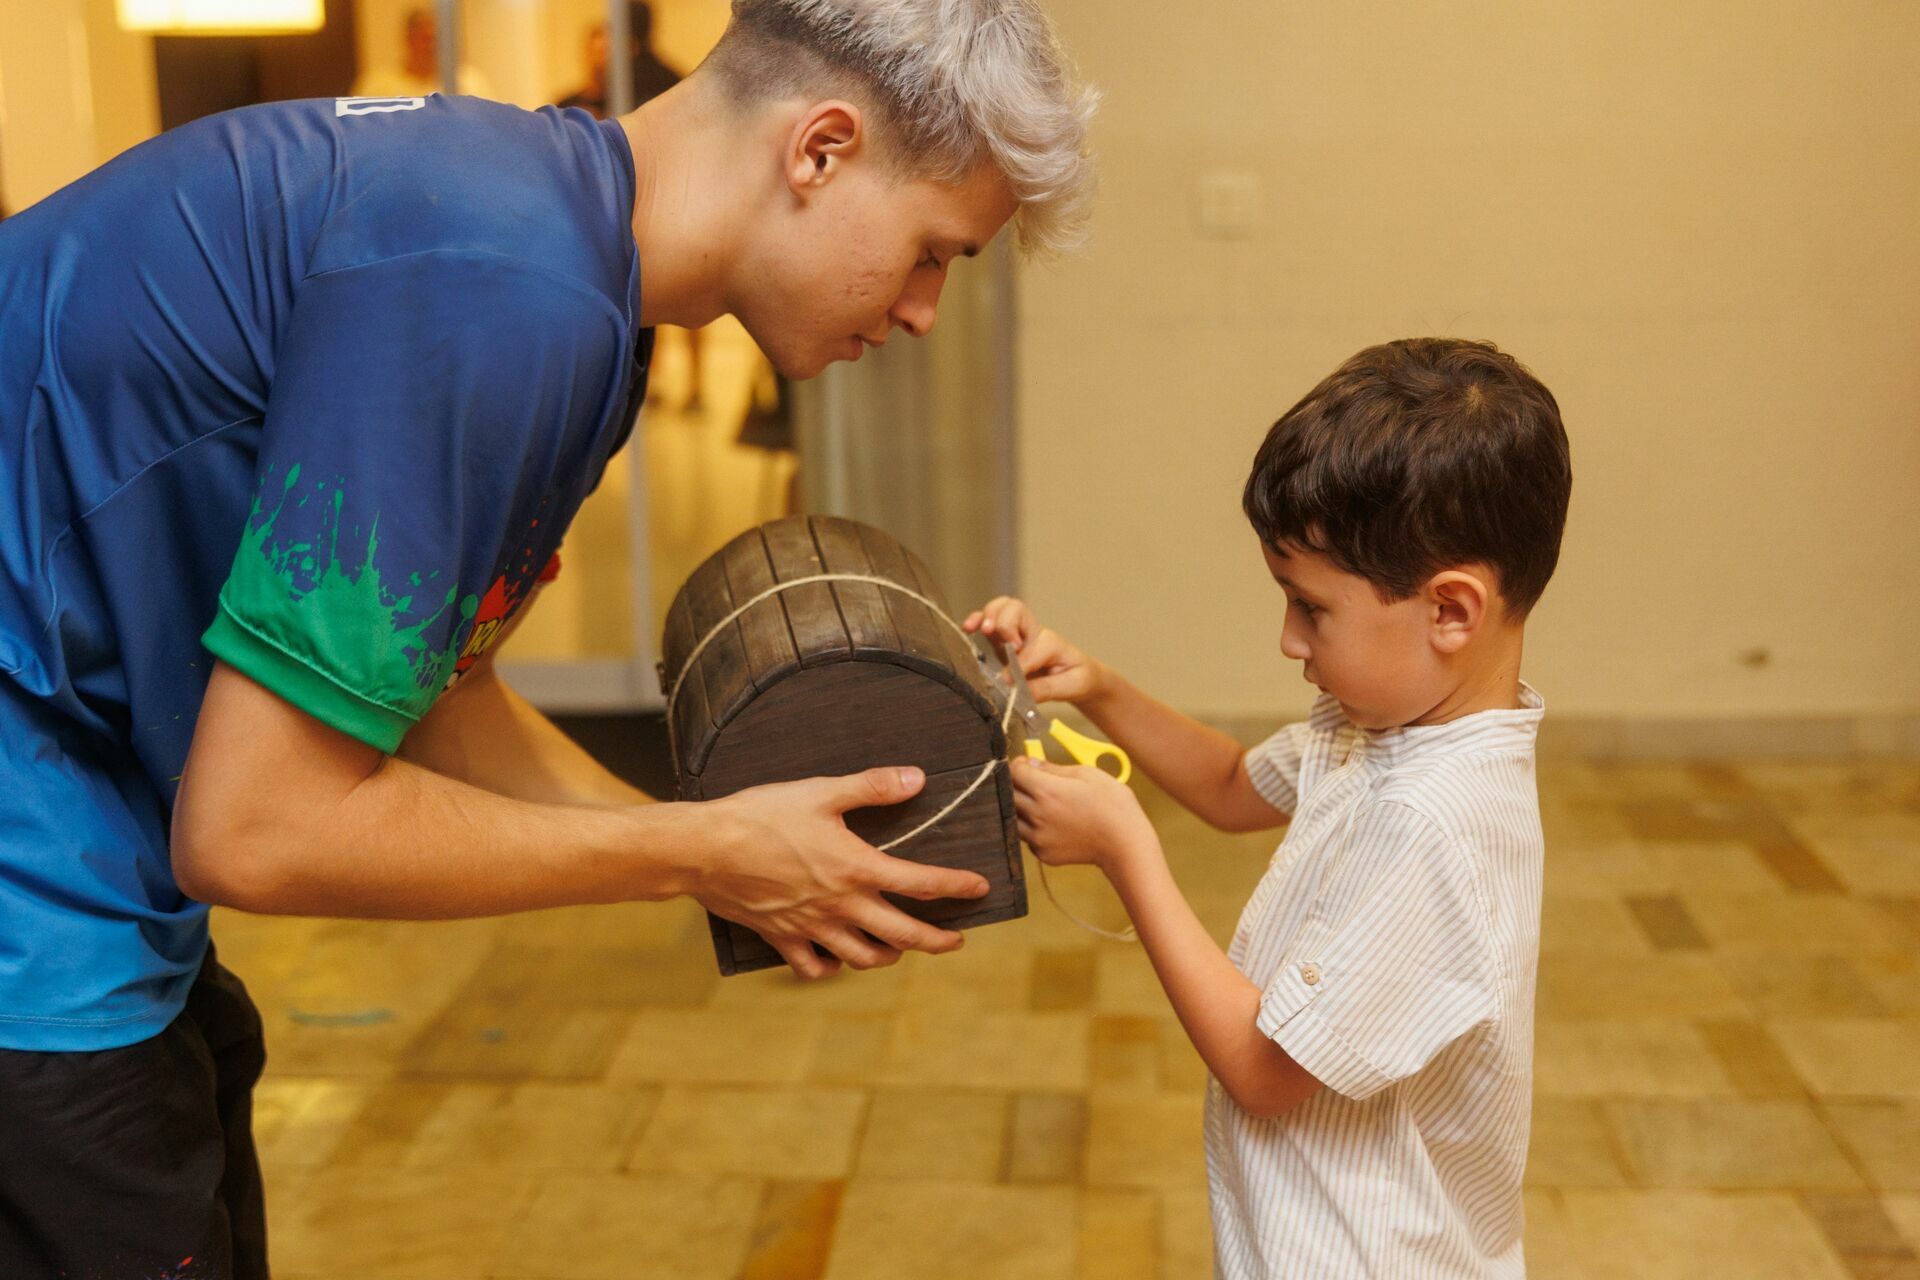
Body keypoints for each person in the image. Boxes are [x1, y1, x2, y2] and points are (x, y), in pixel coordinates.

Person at [0, 0, 1095, 1274]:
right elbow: (258, 827)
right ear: (820, 149)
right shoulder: (502, 287)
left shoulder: (562, 265)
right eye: (933, 252)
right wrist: (699, 850)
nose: (923, 310)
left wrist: (725, 863)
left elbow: (439, 695)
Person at [971, 338, 1572, 1279]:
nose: (1288, 639)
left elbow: (1262, 1071)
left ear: (1451, 611)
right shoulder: (1374, 727)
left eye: (1311, 607)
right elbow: (1228, 786)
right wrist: (1097, 687)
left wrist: (1127, 851)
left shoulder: (1433, 827)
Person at [557, 3, 711, 410]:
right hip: (674, 200)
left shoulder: (626, 80)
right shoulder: (674, 79)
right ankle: (681, 384)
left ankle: (669, 383)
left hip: (641, 203)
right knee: (677, 300)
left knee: (652, 299)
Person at [351, 5, 495, 100]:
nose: (432, 46)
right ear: (408, 39)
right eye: (426, 38)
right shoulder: (378, 87)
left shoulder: (470, 81)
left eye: (438, 39)